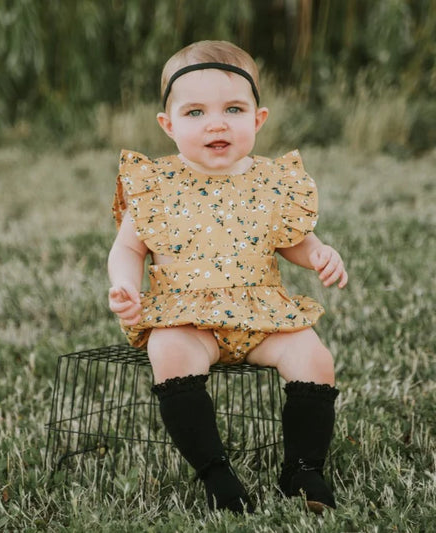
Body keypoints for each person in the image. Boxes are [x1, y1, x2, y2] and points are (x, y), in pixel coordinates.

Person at [108, 40, 348, 514]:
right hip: (189, 317)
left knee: (314, 356)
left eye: (233, 109)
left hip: (263, 314)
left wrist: (320, 253)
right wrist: (126, 287)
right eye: (195, 112)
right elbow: (128, 247)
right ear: (169, 125)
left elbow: (293, 238)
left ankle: (303, 470)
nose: (216, 123)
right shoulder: (156, 184)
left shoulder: (272, 180)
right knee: (168, 348)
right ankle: (216, 474)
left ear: (258, 120)